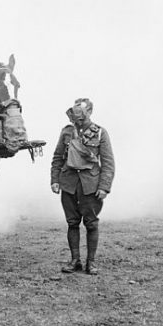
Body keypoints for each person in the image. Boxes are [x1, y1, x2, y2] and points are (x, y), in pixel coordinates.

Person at [50, 98, 115, 275]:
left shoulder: (100, 133)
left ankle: (91, 263)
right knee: (72, 223)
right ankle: (75, 260)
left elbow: (108, 163)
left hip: (90, 185)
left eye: (82, 113)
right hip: (69, 183)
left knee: (91, 224)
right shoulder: (67, 132)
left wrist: (104, 186)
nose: (78, 118)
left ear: (90, 112)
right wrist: (55, 180)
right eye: (76, 114)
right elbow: (57, 158)